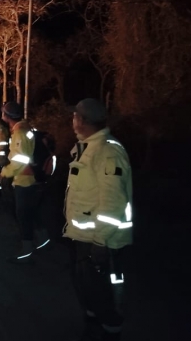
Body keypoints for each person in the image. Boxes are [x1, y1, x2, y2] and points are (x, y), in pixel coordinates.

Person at [65, 98, 132, 341]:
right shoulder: (88, 147)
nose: (72, 120)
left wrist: (101, 241)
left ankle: (110, 332)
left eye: (74, 116)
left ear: (81, 121)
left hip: (101, 239)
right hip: (84, 236)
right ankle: (92, 326)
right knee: (88, 289)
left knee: (101, 293)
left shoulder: (107, 151)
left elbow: (113, 202)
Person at [0, 101, 47, 263]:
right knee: (31, 211)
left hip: (25, 179)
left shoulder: (19, 133)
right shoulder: (26, 129)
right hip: (31, 177)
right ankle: (42, 239)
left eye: (3, 112)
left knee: (23, 215)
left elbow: (21, 160)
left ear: (7, 115)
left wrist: (5, 172)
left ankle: (26, 250)